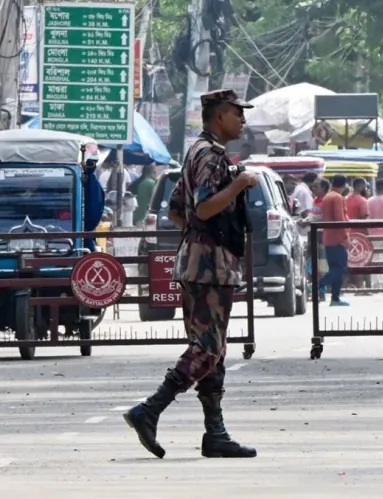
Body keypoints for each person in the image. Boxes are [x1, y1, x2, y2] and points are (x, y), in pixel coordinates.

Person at [123, 89, 258, 460]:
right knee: (209, 348)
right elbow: (203, 206)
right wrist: (240, 184)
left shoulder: (196, 152)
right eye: (237, 114)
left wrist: (200, 236)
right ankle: (149, 410)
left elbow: (177, 211)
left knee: (212, 348)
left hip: (200, 260)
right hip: (209, 266)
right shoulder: (211, 156)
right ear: (219, 117)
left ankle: (215, 433)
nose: (242, 121)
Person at [317, 175, 350, 306]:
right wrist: (345, 237)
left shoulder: (328, 196)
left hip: (328, 237)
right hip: (337, 238)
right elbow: (339, 219)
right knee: (341, 269)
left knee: (335, 268)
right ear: (345, 185)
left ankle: (335, 298)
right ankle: (319, 284)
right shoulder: (337, 197)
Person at [345, 178, 370, 292]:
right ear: (361, 186)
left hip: (346, 233)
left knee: (348, 261)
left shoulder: (345, 199)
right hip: (360, 235)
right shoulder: (363, 201)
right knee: (360, 261)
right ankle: (360, 287)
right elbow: (364, 218)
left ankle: (343, 288)